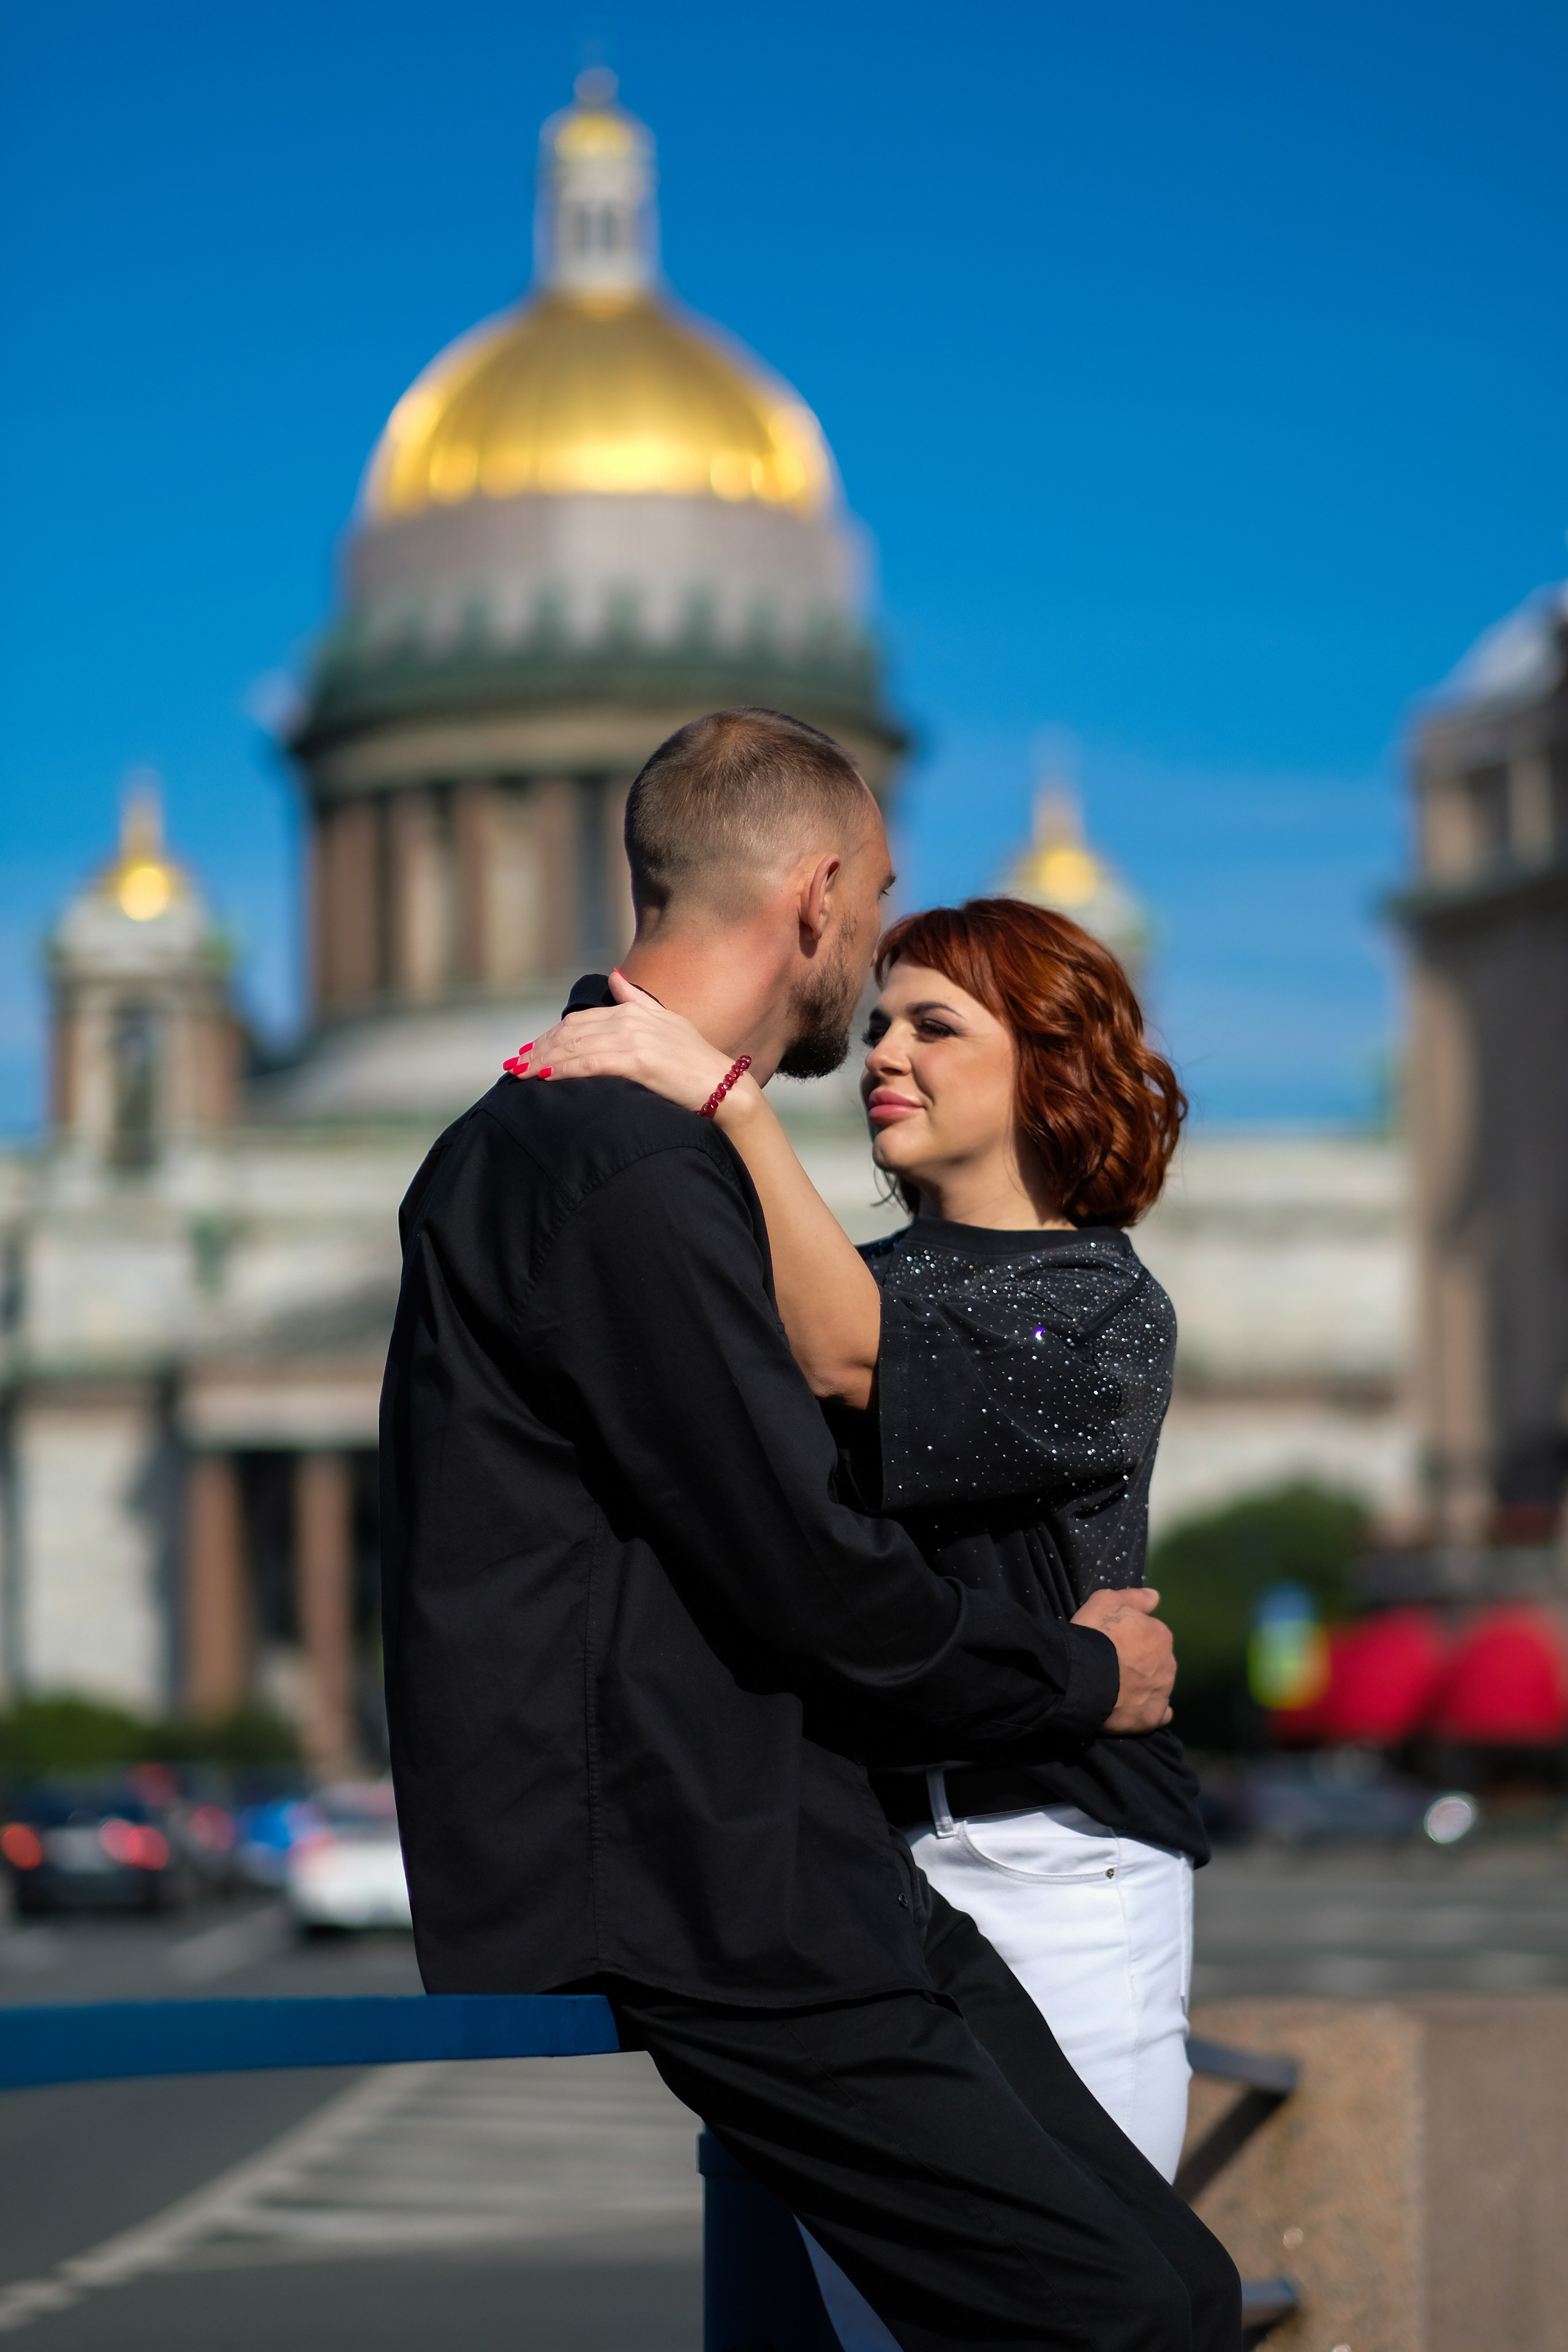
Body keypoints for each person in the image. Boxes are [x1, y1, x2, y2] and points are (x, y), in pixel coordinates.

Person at [382, 706, 1240, 2352]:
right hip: (722, 1875)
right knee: (1122, 2316)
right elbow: (805, 1571)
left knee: (1178, 2292)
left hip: (799, 1850)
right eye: (885, 912)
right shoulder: (622, 1162)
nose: (887, 1028)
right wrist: (1075, 1676)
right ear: (820, 894)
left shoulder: (618, 1147)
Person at [518, 894, 1203, 2182]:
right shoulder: (856, 1266)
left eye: (933, 1027)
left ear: (1051, 1066)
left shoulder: (1103, 1302)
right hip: (865, 1868)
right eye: (879, 1021)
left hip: (1053, 1860)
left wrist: (726, 1101)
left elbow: (846, 1359)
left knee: (1066, 2291)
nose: (882, 1053)